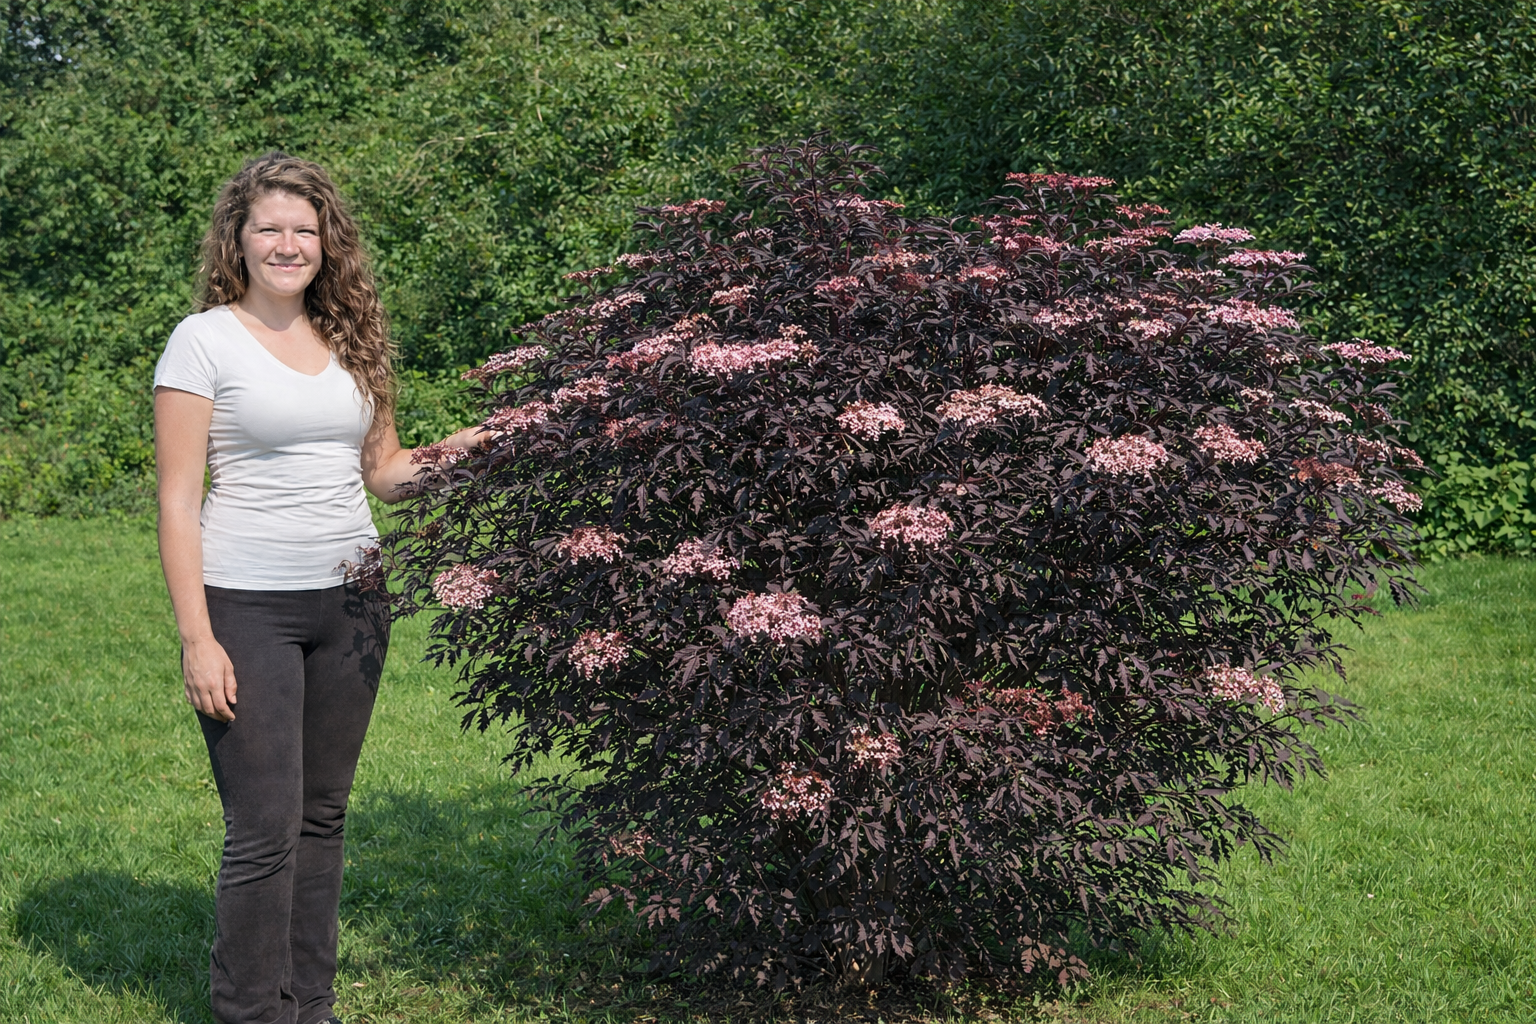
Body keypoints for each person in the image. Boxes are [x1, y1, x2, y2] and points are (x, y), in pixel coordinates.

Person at [154, 152, 481, 1024]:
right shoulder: (204, 340)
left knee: (323, 816)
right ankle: (251, 1014)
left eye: (305, 229)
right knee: (264, 832)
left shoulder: (353, 339)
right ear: (240, 238)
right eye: (270, 227)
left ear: (327, 243)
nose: (288, 244)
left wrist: (475, 449)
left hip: (354, 604)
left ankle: (313, 1007)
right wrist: (198, 637)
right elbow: (178, 499)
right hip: (246, 602)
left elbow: (386, 472)